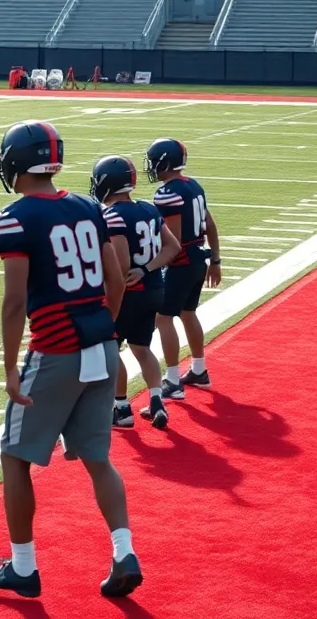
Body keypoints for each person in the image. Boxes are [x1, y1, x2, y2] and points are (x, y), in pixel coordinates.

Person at [0, 121, 143, 600]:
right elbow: (115, 280)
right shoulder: (89, 207)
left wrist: (10, 366)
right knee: (98, 459)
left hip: (55, 348)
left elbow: (14, 302)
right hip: (101, 345)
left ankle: (24, 568)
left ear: (13, 161)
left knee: (13, 457)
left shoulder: (15, 217)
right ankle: (124, 552)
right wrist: (103, 327)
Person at [90, 156, 180, 430]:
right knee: (142, 347)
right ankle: (156, 401)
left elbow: (121, 263)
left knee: (110, 348)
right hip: (154, 288)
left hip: (128, 293)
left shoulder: (113, 215)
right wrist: (148, 268)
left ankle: (122, 407)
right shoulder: (148, 208)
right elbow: (173, 246)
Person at [146, 138, 222, 402]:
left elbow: (173, 243)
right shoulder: (193, 186)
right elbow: (210, 225)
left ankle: (173, 380)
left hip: (181, 263)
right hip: (197, 259)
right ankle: (199, 370)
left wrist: (152, 266)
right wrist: (215, 260)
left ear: (163, 162)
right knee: (188, 313)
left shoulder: (168, 193)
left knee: (163, 318)